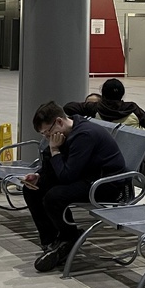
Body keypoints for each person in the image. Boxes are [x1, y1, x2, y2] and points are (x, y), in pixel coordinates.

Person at [20, 101, 128, 272]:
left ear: (59, 121)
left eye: (47, 132)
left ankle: (69, 237)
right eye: (43, 134)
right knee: (32, 189)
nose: (47, 137)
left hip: (105, 185)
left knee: (54, 196)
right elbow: (58, 168)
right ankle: (50, 242)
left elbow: (66, 176)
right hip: (85, 177)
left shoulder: (84, 135)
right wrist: (39, 176)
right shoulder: (66, 132)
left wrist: (55, 150)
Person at [64, 79, 145, 131]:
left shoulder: (95, 108)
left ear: (103, 94)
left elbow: (68, 108)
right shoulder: (132, 108)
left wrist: (89, 105)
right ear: (122, 94)